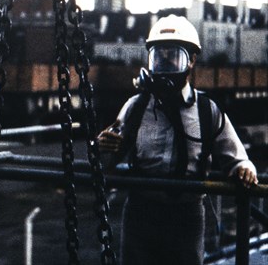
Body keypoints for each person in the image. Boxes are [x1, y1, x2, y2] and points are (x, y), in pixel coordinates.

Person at [98, 14, 258, 265]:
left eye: (174, 55)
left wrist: (244, 169)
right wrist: (102, 147)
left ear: (191, 60)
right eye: (158, 55)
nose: (164, 61)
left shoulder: (207, 111)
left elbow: (236, 158)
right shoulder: (135, 107)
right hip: (141, 212)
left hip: (187, 215)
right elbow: (108, 159)